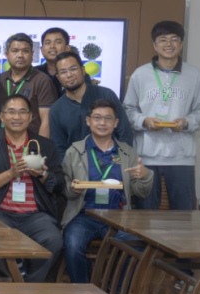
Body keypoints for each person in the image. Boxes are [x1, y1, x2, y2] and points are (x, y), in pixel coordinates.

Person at [60, 99, 152, 284]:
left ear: (115, 123)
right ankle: (81, 290)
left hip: (118, 218)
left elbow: (140, 192)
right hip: (84, 215)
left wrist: (145, 176)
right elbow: (67, 190)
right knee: (73, 244)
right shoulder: (74, 151)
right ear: (88, 121)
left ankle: (116, 292)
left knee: (135, 245)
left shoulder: (127, 153)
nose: (102, 123)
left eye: (108, 118)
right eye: (97, 118)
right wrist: (72, 188)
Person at [123, 21, 200, 210]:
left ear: (181, 44)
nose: (169, 44)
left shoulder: (194, 75)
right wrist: (144, 120)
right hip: (146, 156)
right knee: (145, 215)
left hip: (182, 157)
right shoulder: (140, 74)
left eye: (174, 39)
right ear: (155, 45)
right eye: (163, 40)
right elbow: (128, 110)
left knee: (184, 214)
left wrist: (186, 123)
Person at [0, 95, 64, 283]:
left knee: (53, 240)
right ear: (2, 117)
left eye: (22, 112)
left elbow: (60, 183)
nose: (17, 117)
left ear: (31, 117)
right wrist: (11, 173)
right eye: (11, 112)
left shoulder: (45, 145)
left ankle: (30, 284)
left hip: (36, 215)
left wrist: (42, 174)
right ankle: (12, 280)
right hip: (0, 212)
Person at [49, 51, 132, 150]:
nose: (69, 75)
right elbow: (59, 148)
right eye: (63, 72)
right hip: (76, 159)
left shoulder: (106, 95)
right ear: (58, 78)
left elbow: (124, 132)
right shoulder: (56, 110)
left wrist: (120, 158)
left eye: (73, 69)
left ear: (83, 70)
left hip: (112, 158)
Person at [0, 33, 57, 137]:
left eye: (25, 51)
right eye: (15, 51)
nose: (20, 55)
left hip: (30, 142)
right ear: (7, 54)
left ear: (32, 54)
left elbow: (46, 121)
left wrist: (40, 146)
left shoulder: (42, 80)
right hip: (0, 141)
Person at [35, 27, 87, 97]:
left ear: (67, 48)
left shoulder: (78, 74)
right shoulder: (34, 73)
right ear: (42, 49)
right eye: (48, 43)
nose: (52, 46)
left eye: (58, 42)